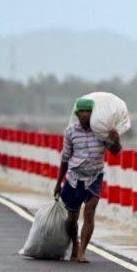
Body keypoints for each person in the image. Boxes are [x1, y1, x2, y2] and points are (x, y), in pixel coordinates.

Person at [54, 97, 122, 263]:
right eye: (82, 112)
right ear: (77, 114)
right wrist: (58, 184)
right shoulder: (71, 131)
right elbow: (65, 158)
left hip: (94, 177)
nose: (85, 115)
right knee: (71, 218)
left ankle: (82, 251)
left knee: (89, 212)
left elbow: (115, 151)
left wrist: (116, 139)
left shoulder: (100, 131)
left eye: (88, 112)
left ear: (93, 114)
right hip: (74, 178)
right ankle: (75, 244)